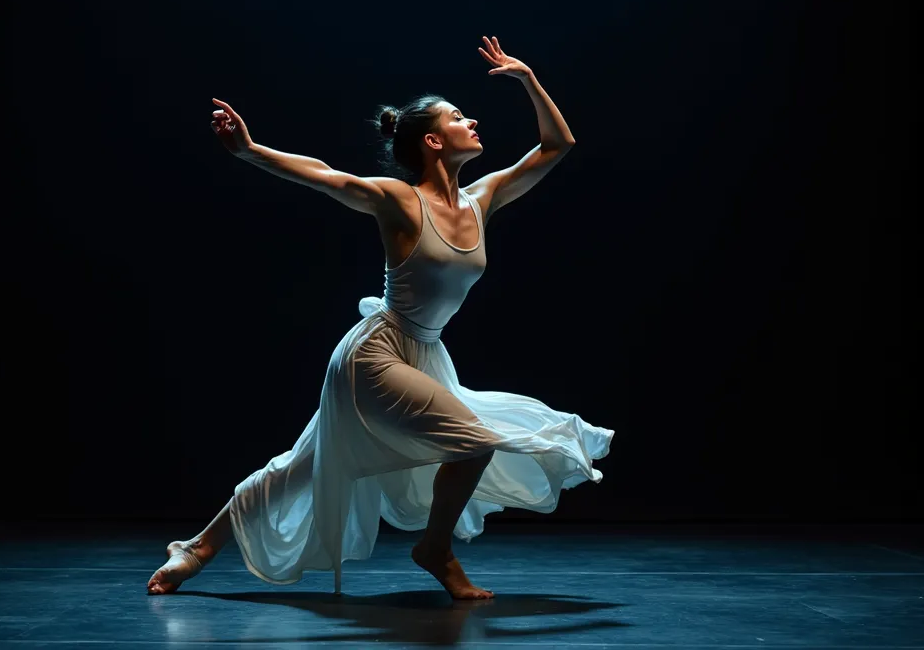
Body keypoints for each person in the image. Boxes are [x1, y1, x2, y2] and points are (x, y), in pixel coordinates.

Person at [147, 36, 613, 600]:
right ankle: (435, 550)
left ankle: (196, 547)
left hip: (426, 353)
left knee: (306, 465)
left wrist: (527, 78)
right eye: (458, 117)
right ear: (433, 141)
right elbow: (327, 176)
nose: (472, 121)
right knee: (472, 442)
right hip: (376, 354)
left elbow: (558, 144)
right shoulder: (399, 199)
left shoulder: (482, 198)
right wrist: (248, 151)